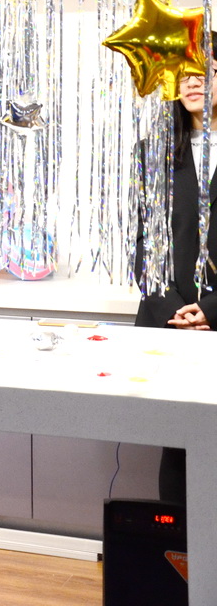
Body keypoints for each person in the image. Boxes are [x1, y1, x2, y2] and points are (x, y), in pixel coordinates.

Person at [134, 66, 217, 505]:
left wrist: (212, 311)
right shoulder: (154, 152)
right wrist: (177, 312)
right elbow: (144, 249)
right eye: (184, 74)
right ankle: (179, 543)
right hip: (171, 328)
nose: (194, 82)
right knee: (179, 452)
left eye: (206, 71)